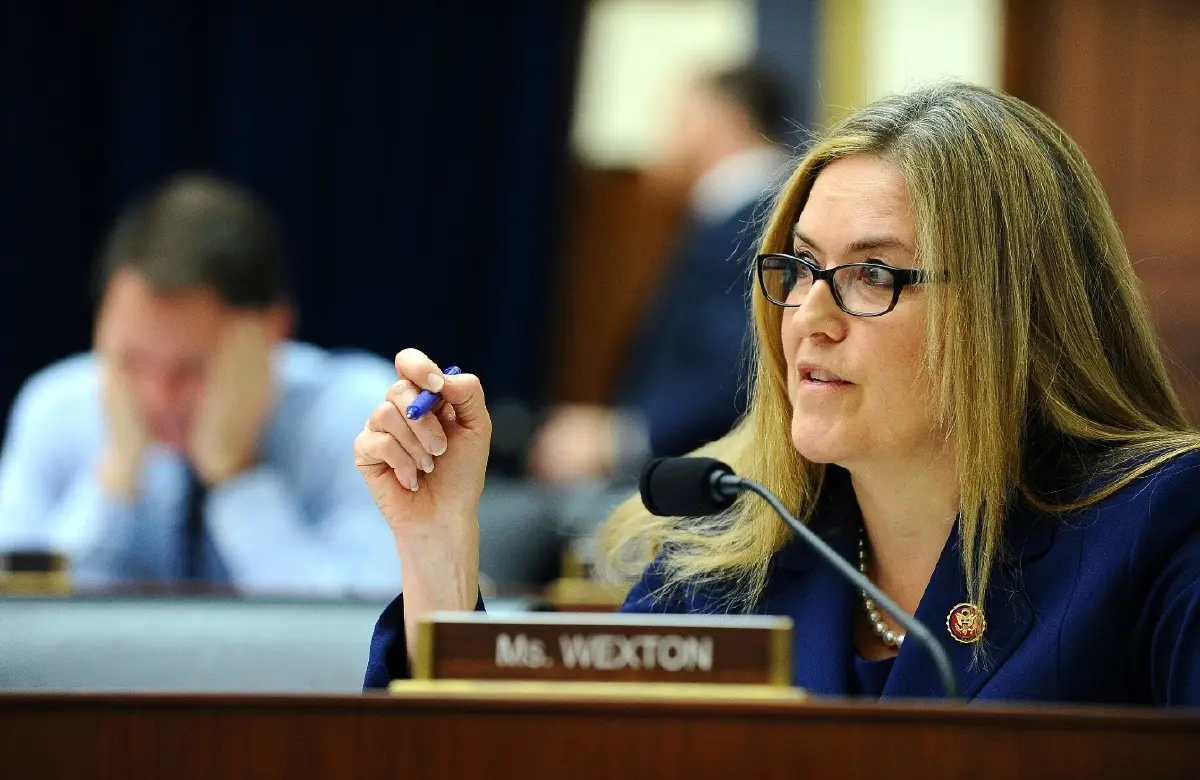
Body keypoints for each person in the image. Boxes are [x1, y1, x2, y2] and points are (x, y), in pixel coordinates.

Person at [357, 81, 1200, 704]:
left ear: (1012, 312)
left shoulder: (1159, 530)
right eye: (799, 267)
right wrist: (439, 549)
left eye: (871, 274)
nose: (808, 317)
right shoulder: (719, 570)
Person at [0, 173, 401, 595]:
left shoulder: (357, 418)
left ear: (273, 331)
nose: (158, 394)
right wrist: (112, 483)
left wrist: (237, 477)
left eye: (191, 368)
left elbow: (371, 618)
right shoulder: (56, 408)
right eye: (132, 360)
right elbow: (20, 615)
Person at [527, 60, 792, 484]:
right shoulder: (735, 215)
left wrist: (621, 439)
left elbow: (741, 363)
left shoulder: (753, 220)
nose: (662, 138)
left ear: (722, 118)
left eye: (678, 119)